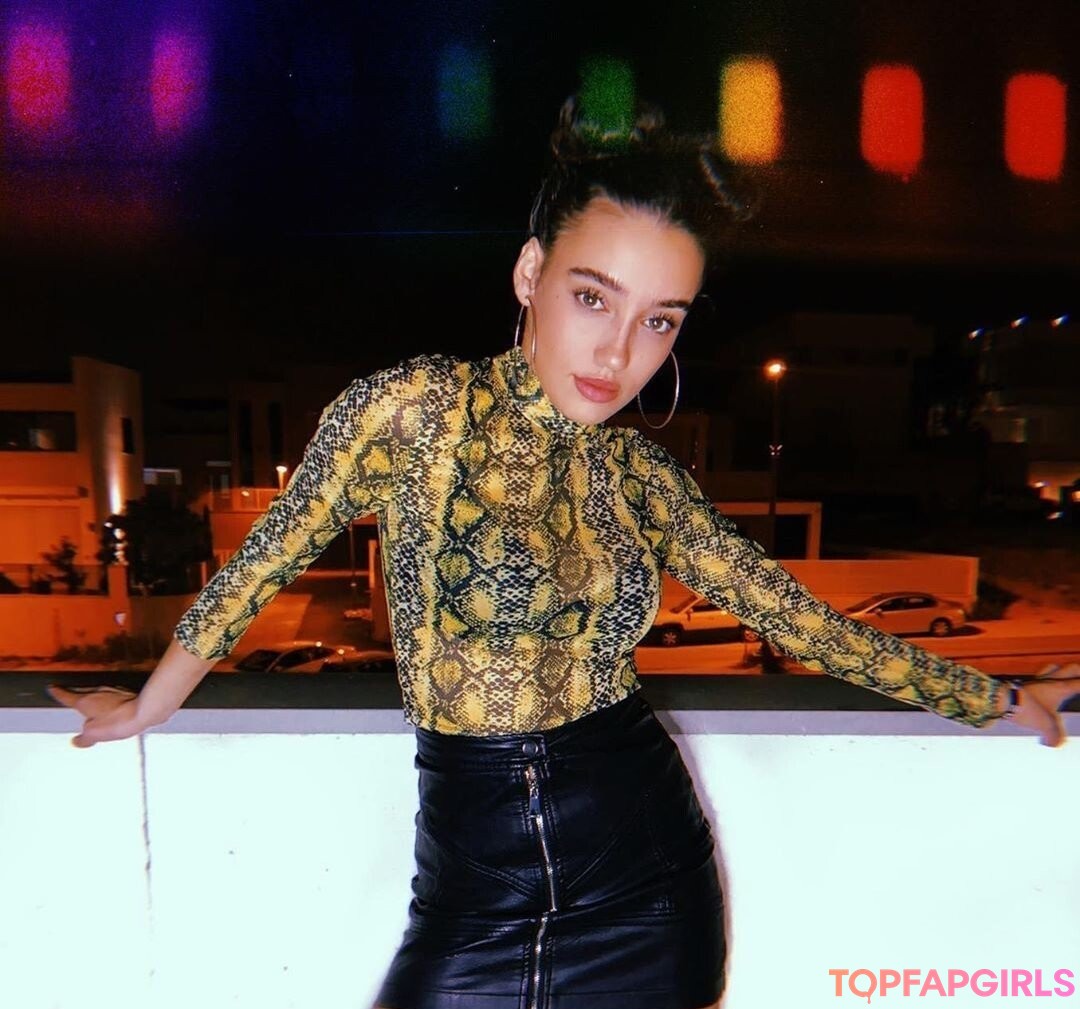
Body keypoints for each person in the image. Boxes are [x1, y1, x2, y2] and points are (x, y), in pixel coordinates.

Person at [49, 99, 1080, 1009]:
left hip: (647, 880)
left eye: (658, 320)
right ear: (531, 271)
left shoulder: (643, 478)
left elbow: (797, 618)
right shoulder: (412, 410)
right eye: (594, 297)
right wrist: (151, 701)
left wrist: (994, 699)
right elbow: (267, 558)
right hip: (470, 890)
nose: (620, 351)